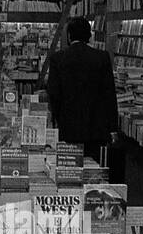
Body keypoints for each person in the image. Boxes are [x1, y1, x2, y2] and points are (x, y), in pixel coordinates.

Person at [45, 17, 120, 163]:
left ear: (69, 36)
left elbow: (54, 94)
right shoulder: (102, 57)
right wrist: (112, 128)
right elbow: (109, 95)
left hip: (68, 127)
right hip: (96, 128)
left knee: (70, 170)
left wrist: (57, 119)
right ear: (89, 36)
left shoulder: (58, 58)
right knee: (94, 170)